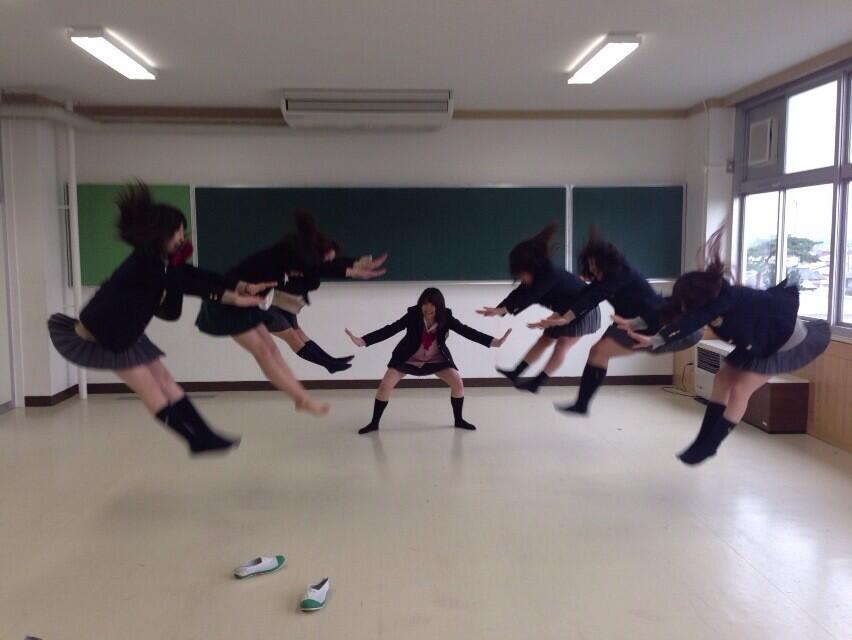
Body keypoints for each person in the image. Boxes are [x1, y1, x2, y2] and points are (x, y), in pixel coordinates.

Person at [48, 182, 268, 455]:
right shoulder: (144, 264)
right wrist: (234, 298)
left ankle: (205, 435)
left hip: (126, 331)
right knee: (151, 388)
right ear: (161, 233)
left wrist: (239, 285)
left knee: (164, 379)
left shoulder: (160, 261)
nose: (182, 237)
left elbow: (194, 275)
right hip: (103, 337)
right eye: (177, 231)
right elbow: (186, 284)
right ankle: (195, 441)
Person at [615, 230, 831, 465]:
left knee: (740, 390)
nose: (684, 309)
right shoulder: (706, 297)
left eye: (687, 305)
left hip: (782, 342)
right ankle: (702, 440)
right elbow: (669, 305)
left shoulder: (723, 302)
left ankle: (710, 445)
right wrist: (634, 323)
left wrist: (656, 340)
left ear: (699, 303)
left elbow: (688, 323)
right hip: (754, 339)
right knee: (722, 379)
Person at [195, 211, 385, 414]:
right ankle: (302, 398)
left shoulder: (292, 256)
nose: (328, 261)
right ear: (311, 256)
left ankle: (300, 396)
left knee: (271, 350)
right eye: (326, 257)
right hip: (226, 305)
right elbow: (320, 268)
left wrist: (354, 264)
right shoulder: (287, 260)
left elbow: (323, 267)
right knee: (263, 351)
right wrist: (352, 268)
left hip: (247, 303)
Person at [528, 229, 702, 416]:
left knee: (600, 350)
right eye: (589, 264)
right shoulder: (607, 277)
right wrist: (557, 317)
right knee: (597, 351)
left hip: (657, 326)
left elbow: (593, 298)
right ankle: (580, 404)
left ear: (604, 262)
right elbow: (583, 296)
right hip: (632, 323)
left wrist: (565, 318)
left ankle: (579, 404)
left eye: (593, 264)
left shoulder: (621, 275)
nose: (591, 269)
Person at [345, 287, 511, 434]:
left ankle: (459, 420)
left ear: (439, 306)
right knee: (384, 386)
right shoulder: (412, 315)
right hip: (407, 358)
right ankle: (374, 423)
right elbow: (391, 329)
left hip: (435, 359)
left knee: (457, 383)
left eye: (433, 304)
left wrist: (493, 342)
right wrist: (363, 341)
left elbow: (466, 331)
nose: (428, 308)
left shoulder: (446, 317)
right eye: (425, 303)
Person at [476, 222, 600, 393]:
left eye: (520, 274)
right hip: (563, 310)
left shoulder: (548, 275)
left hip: (584, 309)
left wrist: (506, 310)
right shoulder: (537, 276)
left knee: (562, 344)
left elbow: (530, 296)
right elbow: (520, 293)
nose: (520, 278)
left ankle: (537, 382)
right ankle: (516, 372)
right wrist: (500, 309)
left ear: (530, 267)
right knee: (545, 340)